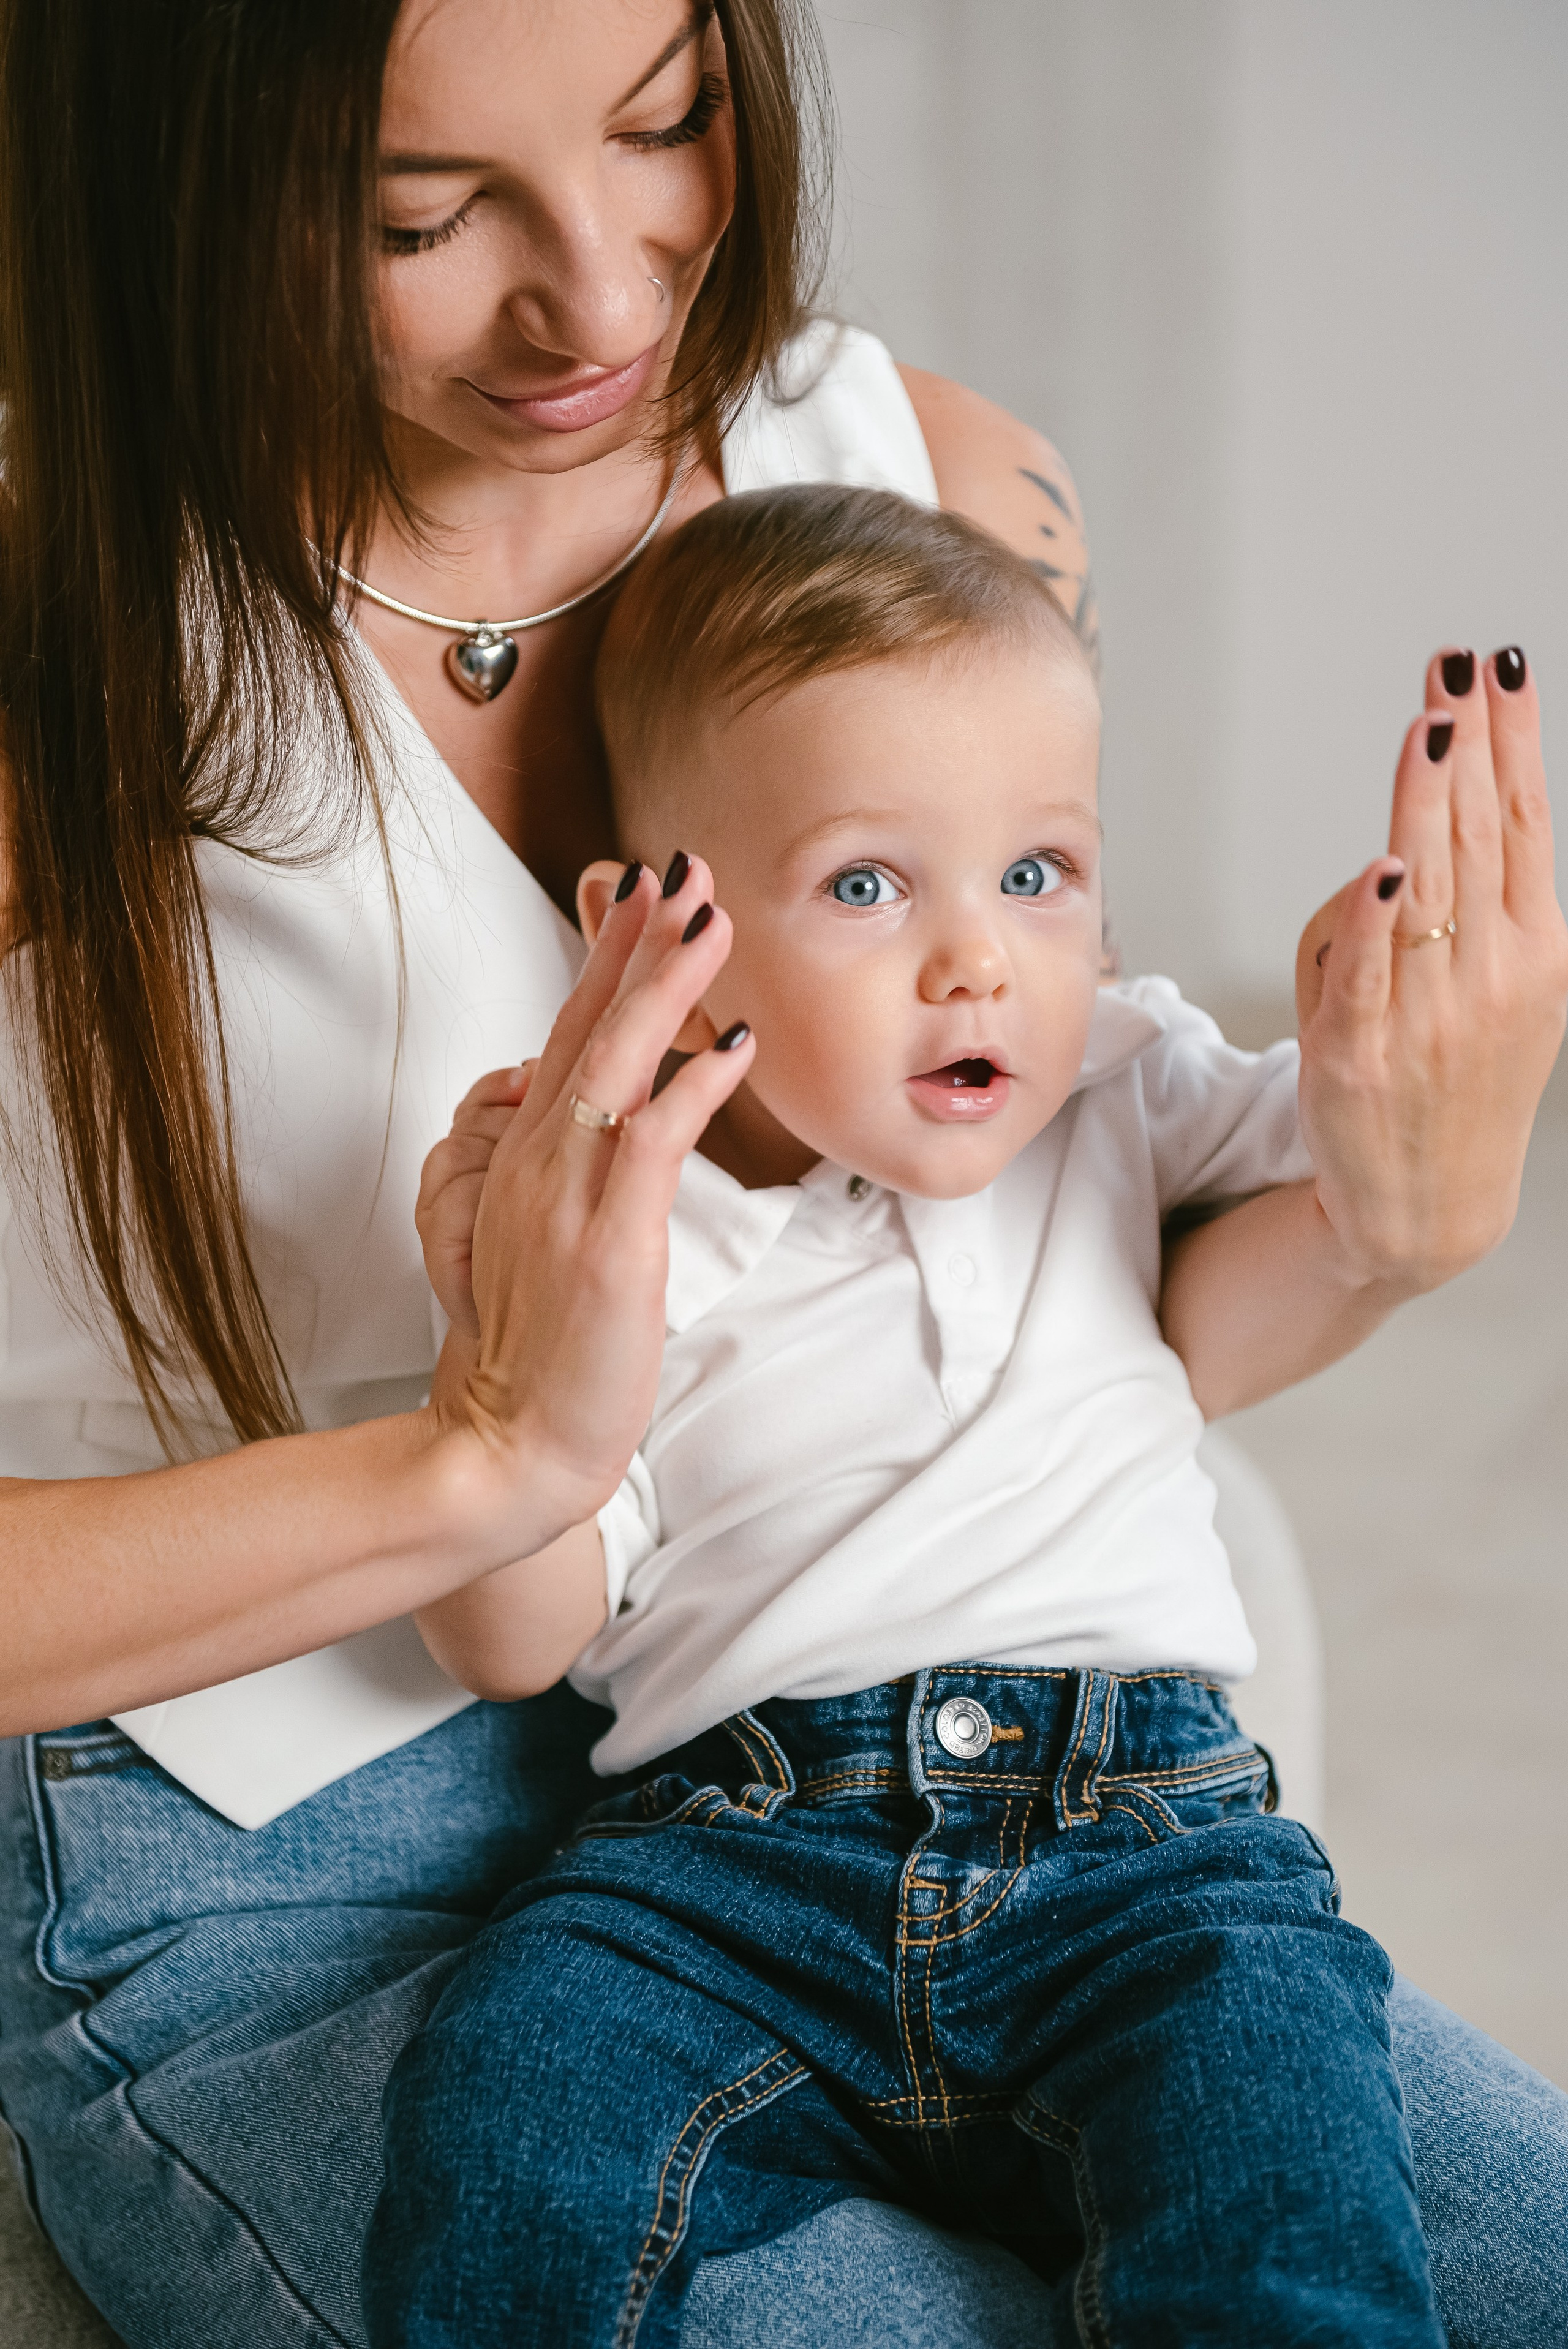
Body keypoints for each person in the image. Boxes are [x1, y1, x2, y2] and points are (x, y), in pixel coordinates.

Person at [0, 4, 1564, 2347]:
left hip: (902, 1738)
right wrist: (486, 1465)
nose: (612, 306)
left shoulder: (938, 485)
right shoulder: (57, 638)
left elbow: (1033, 1306)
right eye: (416, 216)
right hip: (257, 1853)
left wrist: (1397, 1215)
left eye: (667, 128)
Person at [367, 485, 1548, 2347]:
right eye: (864, 883)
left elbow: (1372, 1146)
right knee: (502, 2134)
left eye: (1038, 872)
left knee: (1286, 2218)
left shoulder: (1125, 1085)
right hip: (726, 1867)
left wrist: (1410, 1029)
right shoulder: (625, 1230)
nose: (980, 957)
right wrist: (494, 1339)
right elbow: (516, 1637)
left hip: (1151, 1854)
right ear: (646, 928)